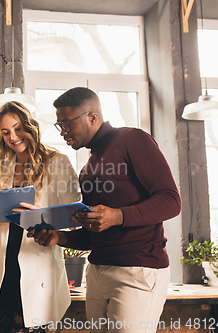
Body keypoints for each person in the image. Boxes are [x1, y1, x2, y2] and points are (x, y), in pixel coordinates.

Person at [29, 87, 182, 333]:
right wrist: (60, 237)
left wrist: (117, 215)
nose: (63, 132)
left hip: (137, 271)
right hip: (97, 271)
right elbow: (95, 232)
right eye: (59, 126)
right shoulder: (88, 166)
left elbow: (171, 200)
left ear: (92, 117)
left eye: (67, 124)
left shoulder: (133, 139)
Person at [0, 101, 81, 332]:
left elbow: (76, 215)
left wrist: (41, 216)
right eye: (5, 132)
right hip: (5, 267)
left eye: (17, 128)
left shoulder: (58, 162)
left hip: (38, 267)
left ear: (29, 126)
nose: (13, 137)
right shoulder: (3, 165)